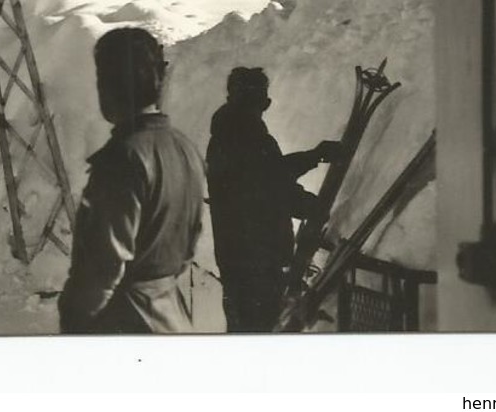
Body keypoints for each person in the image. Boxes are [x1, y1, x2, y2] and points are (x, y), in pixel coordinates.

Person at [58, 26, 206, 334]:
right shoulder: (183, 148)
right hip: (172, 316)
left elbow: (102, 267)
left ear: (109, 86)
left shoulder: (122, 158)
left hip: (124, 324)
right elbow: (188, 246)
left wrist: (74, 324)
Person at [206, 66, 341, 332]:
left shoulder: (228, 135)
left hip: (238, 258)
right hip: (256, 262)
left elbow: (265, 180)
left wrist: (302, 198)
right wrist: (315, 160)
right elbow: (269, 181)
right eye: (260, 99)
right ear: (259, 101)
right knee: (262, 333)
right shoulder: (244, 135)